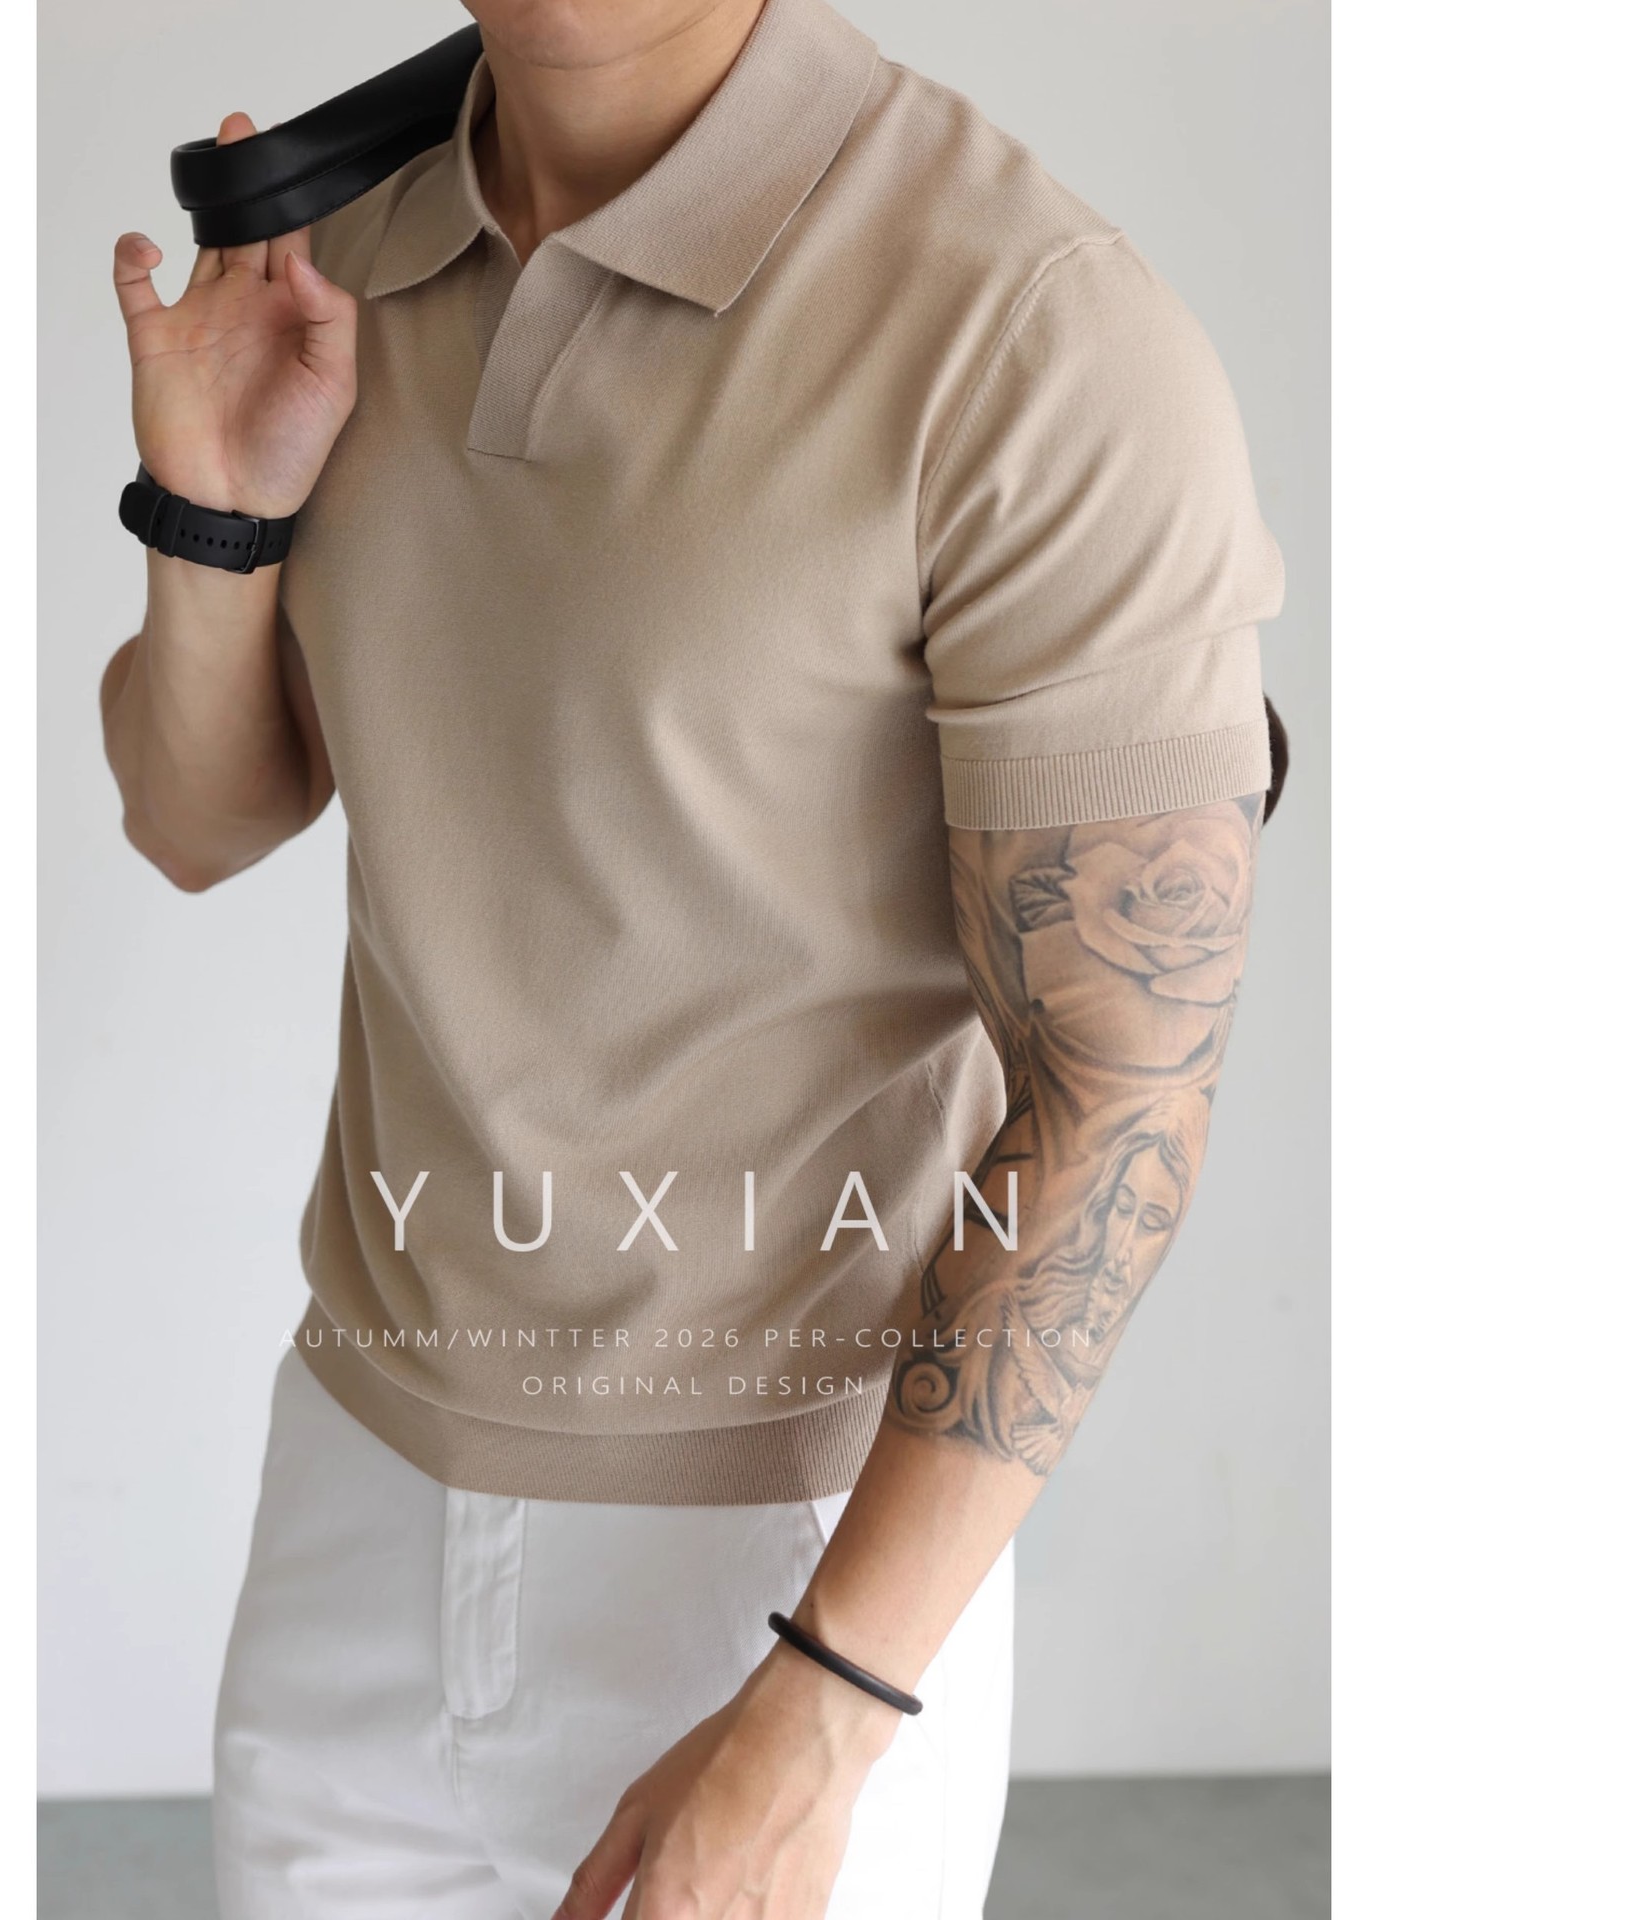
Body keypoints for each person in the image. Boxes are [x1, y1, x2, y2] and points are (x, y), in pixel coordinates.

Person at [100, 0, 1286, 1913]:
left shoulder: (1032, 327)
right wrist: (214, 515)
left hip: (782, 1564)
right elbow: (193, 819)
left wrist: (826, 1712)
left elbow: (1122, 1093)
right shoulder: (340, 249)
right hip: (357, 1485)